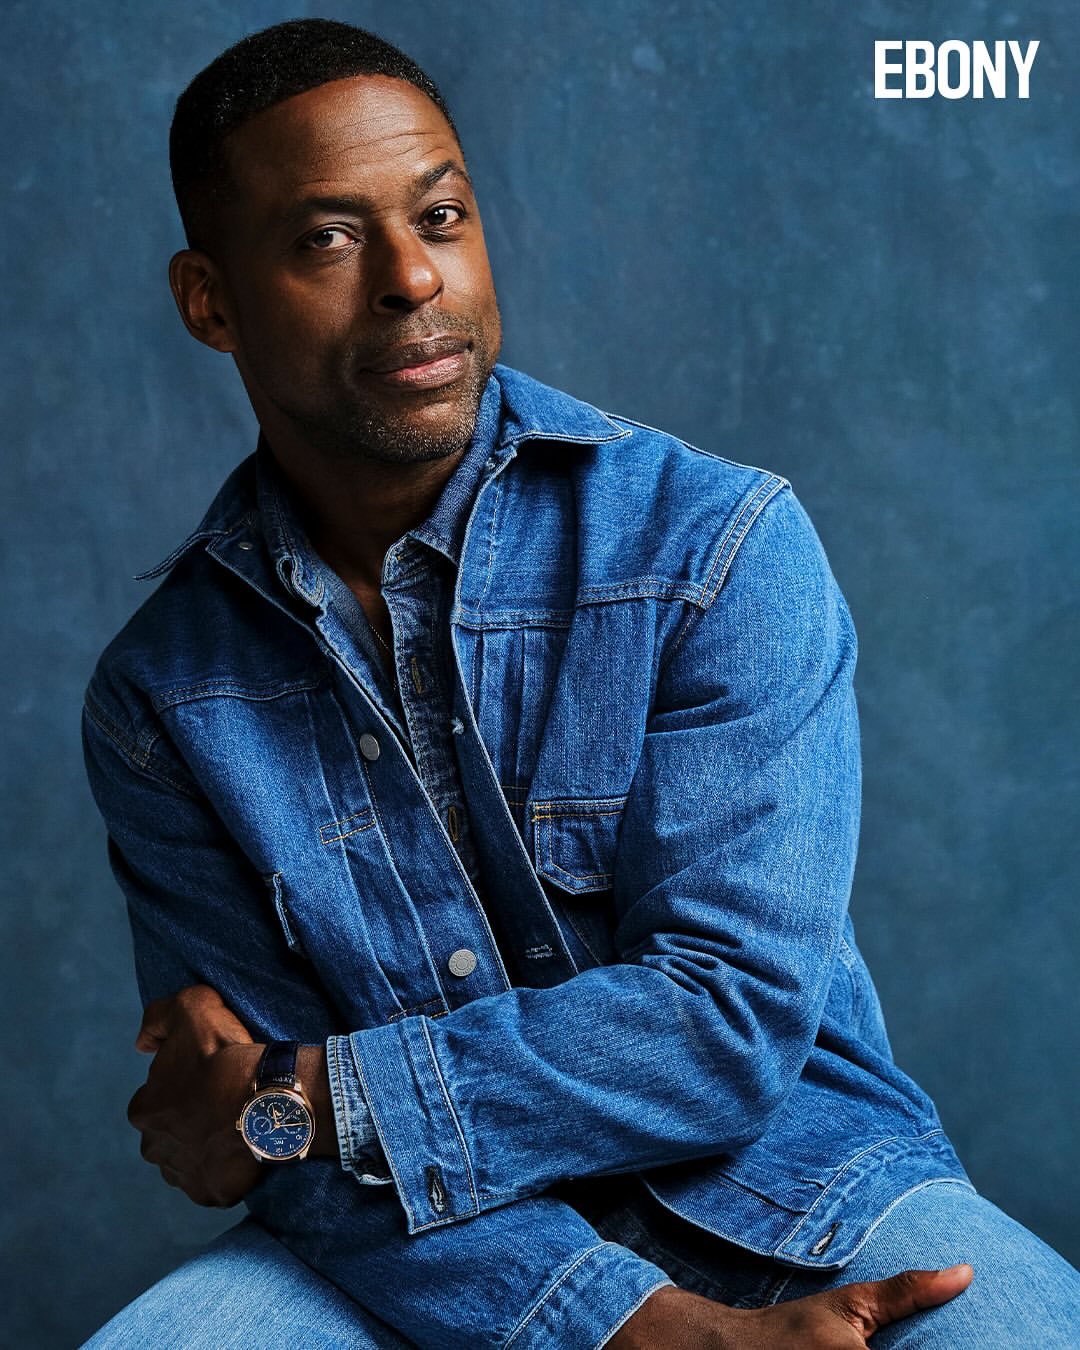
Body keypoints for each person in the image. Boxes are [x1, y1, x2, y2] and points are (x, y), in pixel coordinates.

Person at [81, 18, 1079, 1349]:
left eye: (441, 216)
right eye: (326, 238)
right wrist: (629, 1326)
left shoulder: (713, 544)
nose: (411, 277)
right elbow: (246, 1127)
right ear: (210, 300)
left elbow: (726, 1022)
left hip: (798, 1183)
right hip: (412, 1244)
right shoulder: (162, 697)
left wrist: (319, 1096)